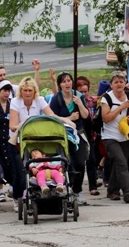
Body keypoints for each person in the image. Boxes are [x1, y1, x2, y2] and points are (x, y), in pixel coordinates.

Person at [49, 72, 90, 205]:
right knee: (66, 162)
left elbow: (85, 116)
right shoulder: (57, 99)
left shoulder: (77, 96)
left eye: (69, 80)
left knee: (80, 162)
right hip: (63, 134)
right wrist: (69, 119)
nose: (67, 83)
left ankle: (77, 190)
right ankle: (66, 187)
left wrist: (80, 103)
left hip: (78, 133)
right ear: (60, 85)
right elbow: (52, 117)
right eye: (64, 81)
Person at [0, 79, 23, 210]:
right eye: (4, 91)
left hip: (9, 142)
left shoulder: (13, 104)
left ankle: (16, 197)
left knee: (13, 170)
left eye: (8, 91)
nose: (6, 93)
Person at [101, 71, 129, 203]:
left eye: (121, 81)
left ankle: (112, 191)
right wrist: (121, 107)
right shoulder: (107, 98)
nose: (119, 84)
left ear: (125, 84)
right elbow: (106, 118)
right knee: (121, 163)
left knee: (120, 164)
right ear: (111, 85)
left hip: (126, 136)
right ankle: (127, 191)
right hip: (110, 137)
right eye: (115, 82)